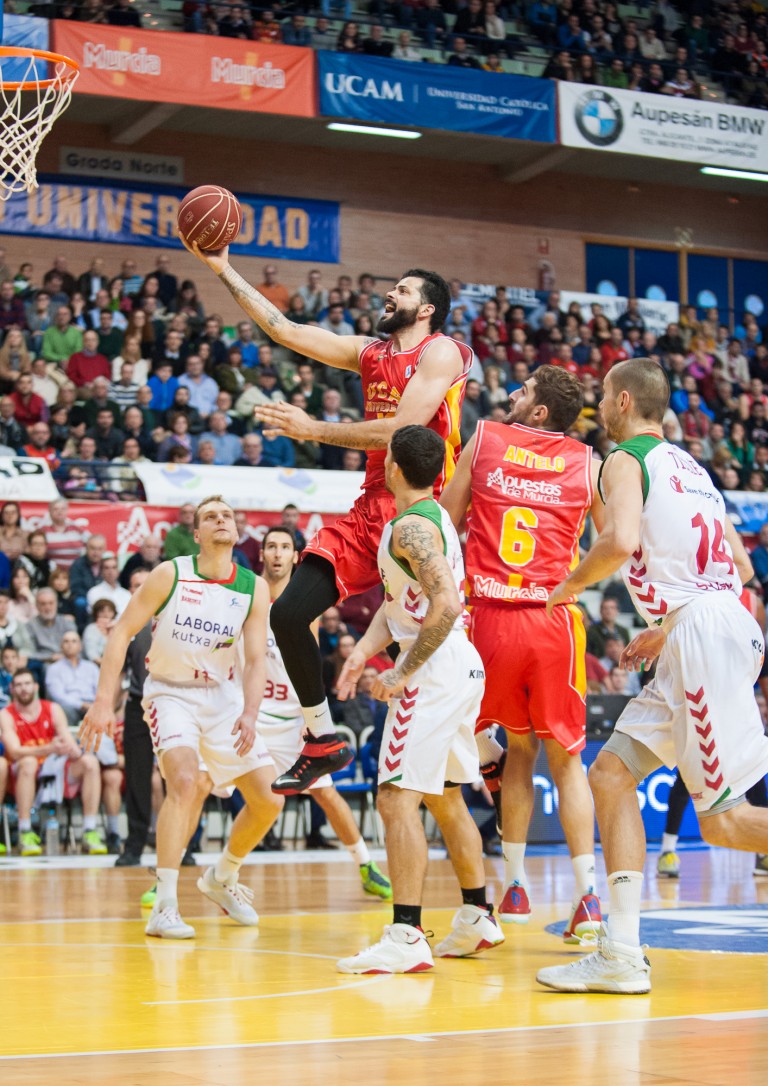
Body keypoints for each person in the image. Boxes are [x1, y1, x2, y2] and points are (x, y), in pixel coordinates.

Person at [184, 237, 473, 793]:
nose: (391, 293)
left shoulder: (441, 352)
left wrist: (312, 429)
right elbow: (285, 330)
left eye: (404, 289)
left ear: (428, 308)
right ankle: (321, 739)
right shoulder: (372, 353)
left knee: (422, 634)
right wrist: (222, 268)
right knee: (288, 613)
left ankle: (479, 744)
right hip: (370, 504)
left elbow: (402, 431)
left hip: (416, 509)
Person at [538, 358, 768, 995]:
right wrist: (672, 625)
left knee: (723, 821)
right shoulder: (695, 470)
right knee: (609, 775)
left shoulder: (625, 459)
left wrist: (563, 591)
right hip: (710, 628)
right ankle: (621, 950)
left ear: (621, 401)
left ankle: (620, 952)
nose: (601, 407)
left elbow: (617, 543)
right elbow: (740, 569)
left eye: (605, 396)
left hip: (702, 636)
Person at [440, 364, 603, 939]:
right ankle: (588, 900)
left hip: (489, 617)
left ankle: (513, 888)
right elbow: (610, 543)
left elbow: (445, 522)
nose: (513, 392)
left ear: (538, 412)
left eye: (524, 390)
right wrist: (570, 584)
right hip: (551, 619)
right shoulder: (590, 463)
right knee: (567, 761)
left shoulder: (485, 438)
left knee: (516, 751)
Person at [334, 425, 503, 973]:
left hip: (433, 670)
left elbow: (446, 606)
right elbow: (399, 605)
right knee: (446, 796)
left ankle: (405, 935)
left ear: (392, 470)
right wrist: (363, 651)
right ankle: (478, 915)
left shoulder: (411, 528)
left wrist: (404, 670)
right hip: (454, 665)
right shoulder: (428, 522)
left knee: (395, 798)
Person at [79, 496, 283, 939]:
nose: (221, 520)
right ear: (196, 534)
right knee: (186, 782)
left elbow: (254, 660)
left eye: (227, 514)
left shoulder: (253, 587)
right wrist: (101, 701)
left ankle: (222, 876)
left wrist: (250, 712)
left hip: (223, 695)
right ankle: (165, 905)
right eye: (210, 517)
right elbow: (120, 634)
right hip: (170, 692)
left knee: (270, 798)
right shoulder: (170, 573)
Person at [257, 525, 392, 897]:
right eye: (271, 546)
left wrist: (309, 717)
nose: (278, 553)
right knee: (203, 782)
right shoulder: (249, 597)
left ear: (295, 556)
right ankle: (173, 874)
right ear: (262, 554)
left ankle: (366, 865)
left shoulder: (304, 606)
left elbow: (310, 661)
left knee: (326, 794)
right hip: (252, 711)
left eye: (285, 546)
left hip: (292, 712)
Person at [0, 668, 107, 856]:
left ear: (36, 686)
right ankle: (25, 831)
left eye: (27, 684)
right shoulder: (6, 715)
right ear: (12, 689)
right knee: (28, 762)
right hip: (20, 774)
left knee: (90, 763)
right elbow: (15, 752)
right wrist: (49, 748)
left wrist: (73, 749)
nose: (23, 689)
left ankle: (90, 831)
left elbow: (67, 740)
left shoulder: (52, 709)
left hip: (53, 769)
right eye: (18, 685)